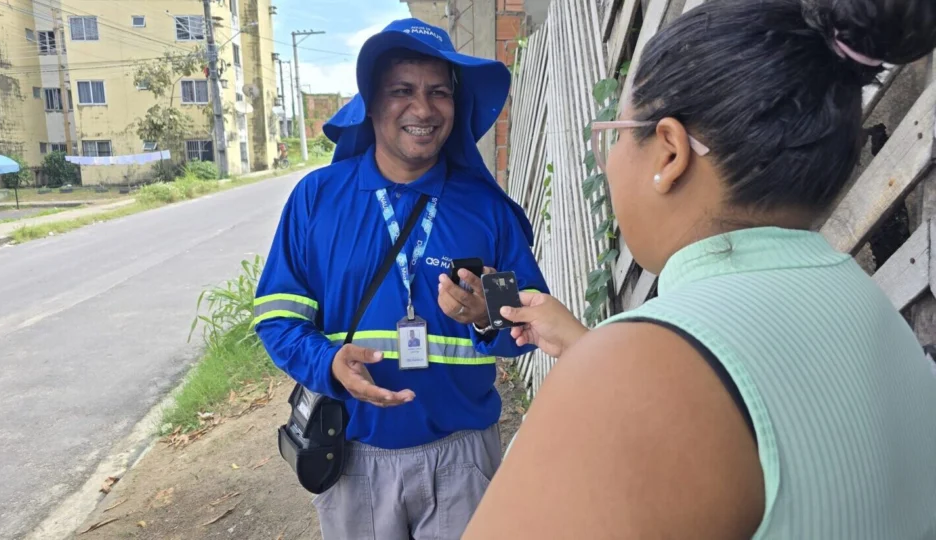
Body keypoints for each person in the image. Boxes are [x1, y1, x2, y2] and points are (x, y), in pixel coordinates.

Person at [463, 0, 936, 538]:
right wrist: (589, 346)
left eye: (615, 134)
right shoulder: (878, 318)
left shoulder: (630, 380)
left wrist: (607, 363)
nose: (610, 161)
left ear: (669, 152)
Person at [253, 17, 548, 540]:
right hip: (353, 460)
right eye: (402, 91)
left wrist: (487, 316)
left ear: (455, 107)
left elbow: (526, 317)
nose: (423, 109)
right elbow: (277, 316)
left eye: (439, 92)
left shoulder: (487, 211)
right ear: (370, 103)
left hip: (464, 458)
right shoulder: (316, 200)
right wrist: (328, 363)